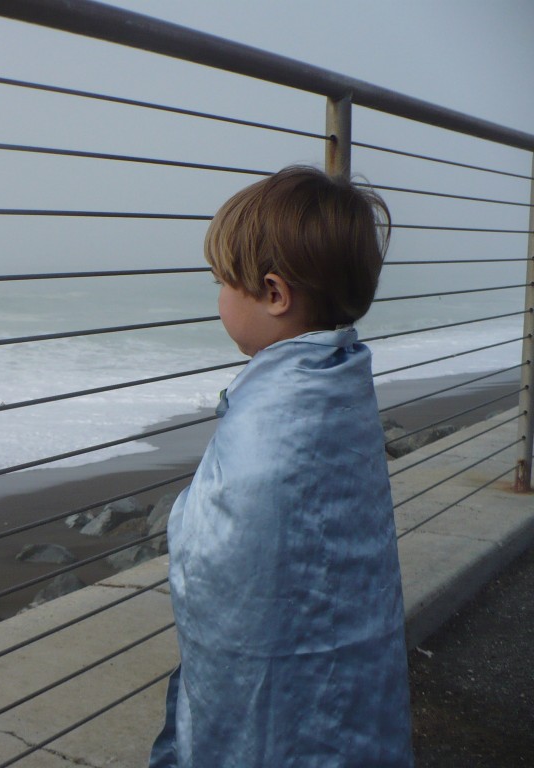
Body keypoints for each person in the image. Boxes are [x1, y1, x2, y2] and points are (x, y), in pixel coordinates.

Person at [149, 166, 413, 767]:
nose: (217, 297)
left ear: (274, 294)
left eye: (223, 282)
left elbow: (226, 553)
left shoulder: (274, 417)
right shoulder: (340, 380)